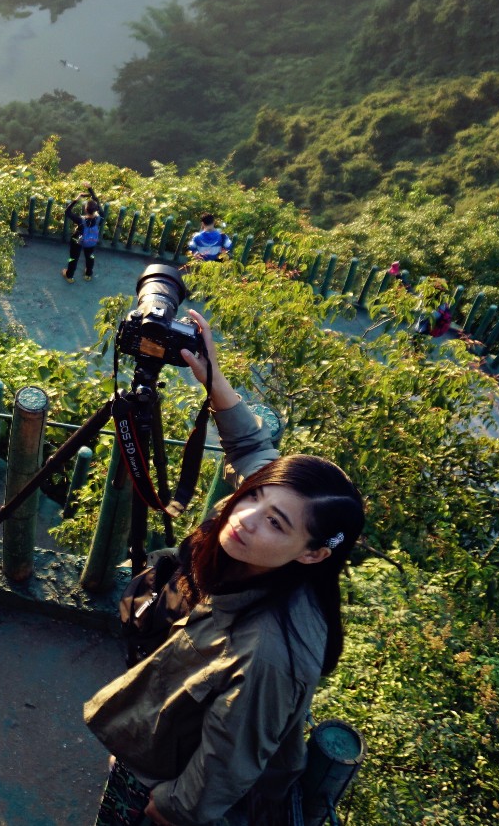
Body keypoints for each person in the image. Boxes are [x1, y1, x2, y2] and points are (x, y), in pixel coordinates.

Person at [85, 311, 366, 826]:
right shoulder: (271, 556)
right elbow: (253, 450)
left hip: (163, 786)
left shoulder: (270, 655)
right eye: (254, 496)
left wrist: (170, 809)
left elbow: (228, 762)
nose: (244, 517)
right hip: (163, 735)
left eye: (276, 523)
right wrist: (214, 379)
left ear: (314, 553)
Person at [64, 186, 104, 281]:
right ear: (96, 209)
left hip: (77, 240)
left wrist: (78, 197)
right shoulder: (100, 218)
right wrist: (91, 190)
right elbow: (98, 202)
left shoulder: (80, 220)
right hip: (91, 240)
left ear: (85, 210)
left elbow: (67, 211)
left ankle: (69, 276)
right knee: (90, 256)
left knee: (73, 258)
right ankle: (88, 274)